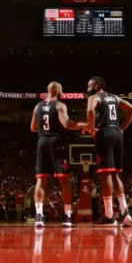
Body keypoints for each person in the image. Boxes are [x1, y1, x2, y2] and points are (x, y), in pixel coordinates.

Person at [31, 81, 87, 228]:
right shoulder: (60, 105)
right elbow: (67, 124)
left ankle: (38, 216)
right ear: (58, 91)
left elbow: (33, 127)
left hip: (42, 142)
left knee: (41, 181)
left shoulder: (38, 106)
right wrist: (84, 124)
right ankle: (67, 216)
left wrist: (46, 130)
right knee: (64, 180)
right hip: (56, 142)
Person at [86, 76, 132, 227]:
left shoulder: (94, 97)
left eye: (89, 86)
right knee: (115, 174)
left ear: (96, 85)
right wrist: (122, 129)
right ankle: (125, 212)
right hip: (117, 134)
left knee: (105, 174)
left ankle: (109, 216)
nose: (87, 89)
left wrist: (91, 129)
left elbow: (90, 111)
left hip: (105, 134)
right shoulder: (115, 97)